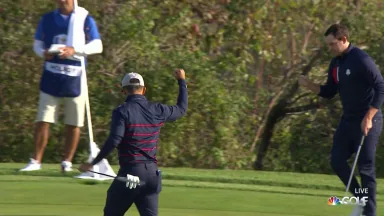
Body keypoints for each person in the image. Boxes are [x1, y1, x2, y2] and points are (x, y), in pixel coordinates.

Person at [299, 24, 384, 216]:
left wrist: (369, 117)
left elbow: (380, 86)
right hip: (348, 121)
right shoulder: (336, 63)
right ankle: (361, 199)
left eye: (332, 44)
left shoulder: (361, 59)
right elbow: (329, 91)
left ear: (344, 39)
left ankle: (369, 213)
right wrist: (309, 85)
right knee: (337, 160)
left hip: (368, 120)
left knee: (365, 168)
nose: (330, 48)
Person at [79, 69, 188, 216]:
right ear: (143, 90)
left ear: (124, 91)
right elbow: (181, 109)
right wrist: (181, 80)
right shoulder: (158, 110)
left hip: (131, 174)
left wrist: (93, 163)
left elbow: (114, 140)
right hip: (151, 176)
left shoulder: (122, 111)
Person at [20, 0, 103, 172]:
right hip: (51, 73)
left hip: (76, 75)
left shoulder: (84, 18)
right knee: (43, 119)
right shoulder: (48, 18)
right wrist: (42, 53)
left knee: (74, 122)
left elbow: (97, 45)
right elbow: (37, 43)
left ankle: (67, 162)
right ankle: (36, 161)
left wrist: (75, 50)